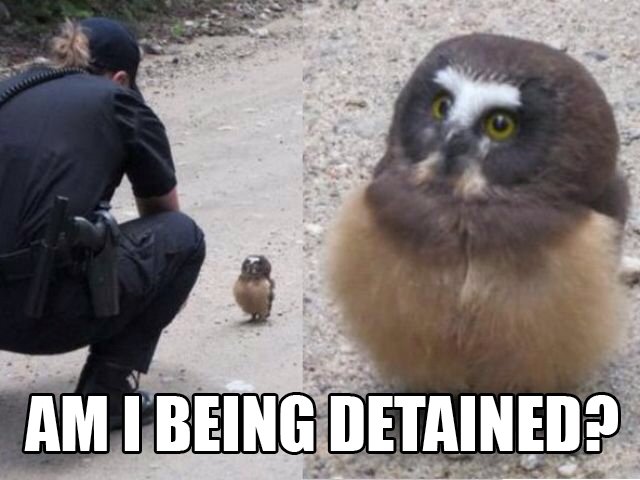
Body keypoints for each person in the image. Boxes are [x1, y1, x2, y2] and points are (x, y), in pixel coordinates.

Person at [0, 18, 205, 428]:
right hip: (42, 314)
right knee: (183, 239)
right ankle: (106, 397)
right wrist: (163, 286)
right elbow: (163, 213)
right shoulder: (119, 101)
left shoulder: (9, 92)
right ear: (121, 78)